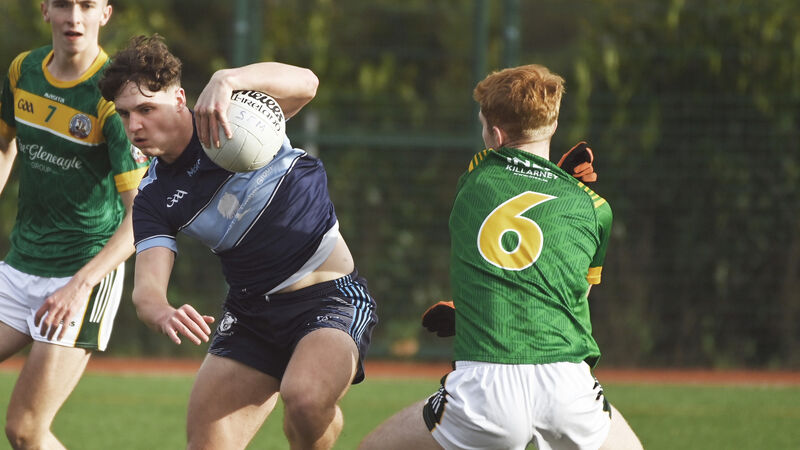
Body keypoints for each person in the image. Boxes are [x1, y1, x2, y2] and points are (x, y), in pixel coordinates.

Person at [98, 34, 379, 450]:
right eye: (123, 115)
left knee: (304, 401)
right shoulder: (154, 195)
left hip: (328, 298)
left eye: (145, 109)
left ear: (179, 99)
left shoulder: (234, 114)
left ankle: (319, 418)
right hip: (252, 317)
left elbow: (307, 83)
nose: (133, 126)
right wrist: (161, 312)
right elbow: (146, 290)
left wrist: (229, 78)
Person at [360, 64, 642, 450]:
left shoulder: (475, 179)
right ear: (555, 124)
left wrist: (477, 308)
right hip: (567, 389)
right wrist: (562, 181)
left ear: (494, 134)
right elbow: (572, 295)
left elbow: (513, 199)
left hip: (485, 391)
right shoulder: (596, 208)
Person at [0, 1, 150, 448]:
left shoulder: (114, 97)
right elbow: (6, 144)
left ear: (106, 12)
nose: (74, 17)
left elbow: (141, 216)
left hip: (81, 275)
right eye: (63, 3)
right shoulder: (22, 71)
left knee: (25, 431)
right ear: (44, 9)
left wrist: (80, 285)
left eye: (87, 5)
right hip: (21, 261)